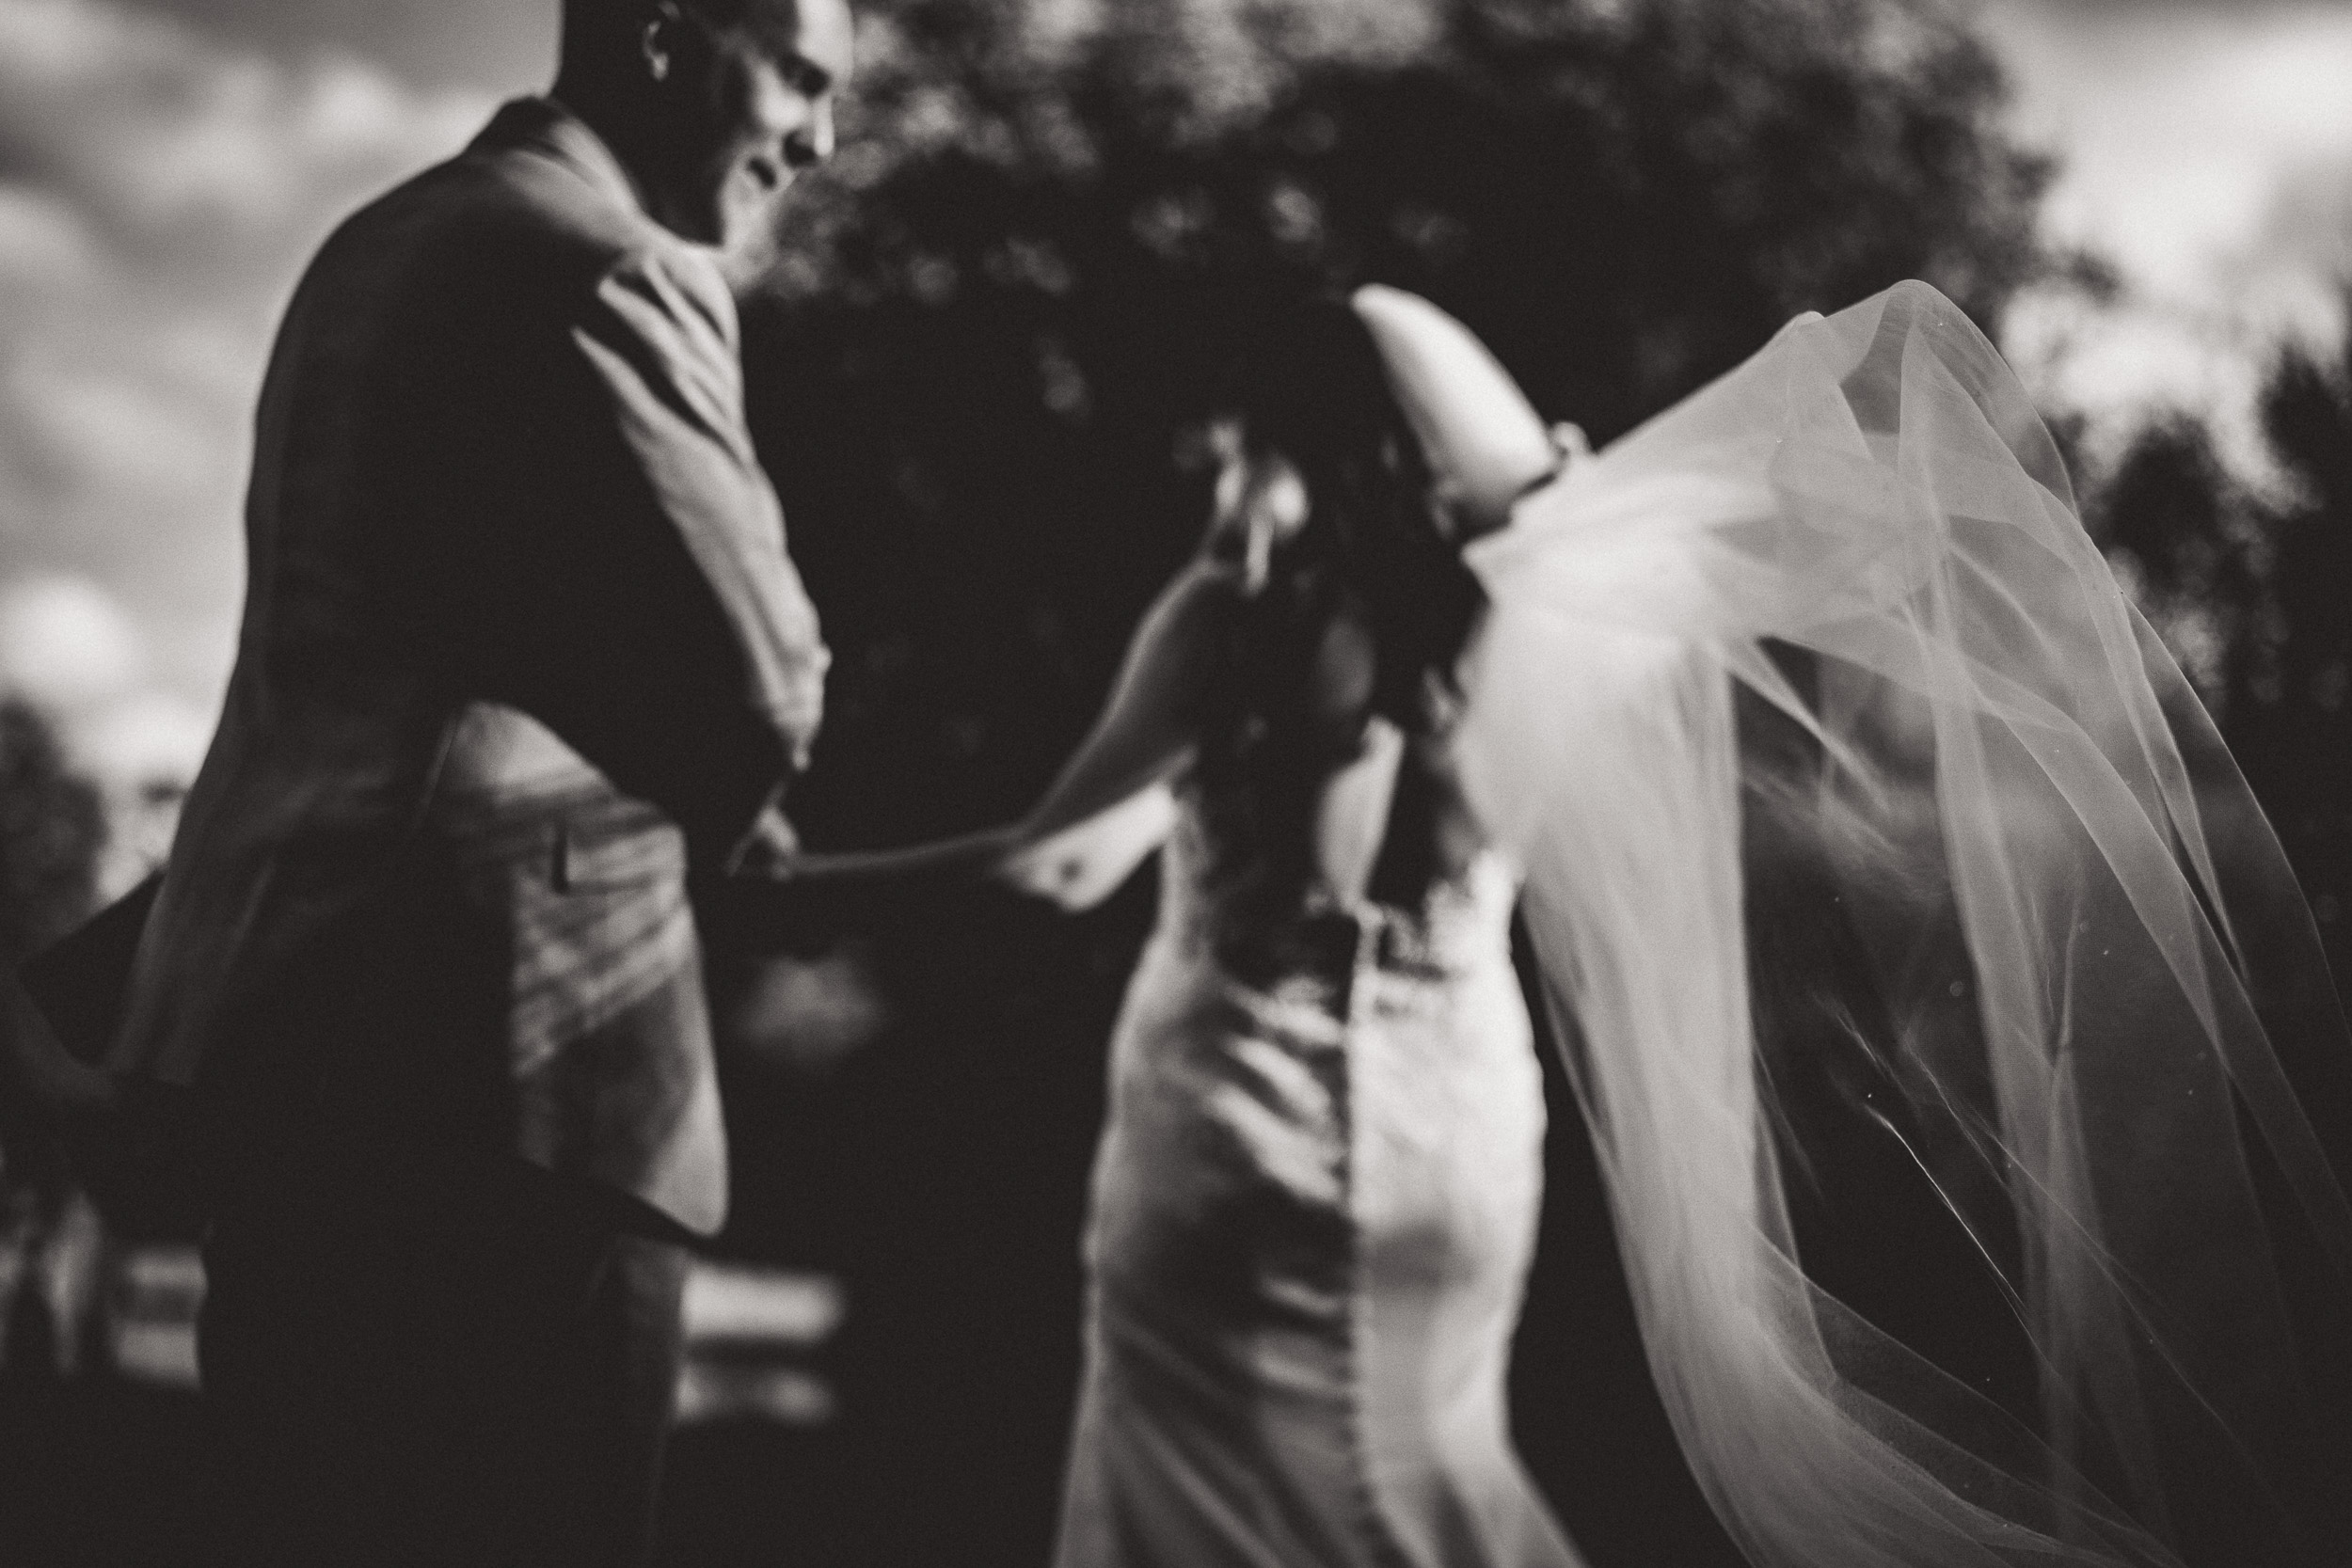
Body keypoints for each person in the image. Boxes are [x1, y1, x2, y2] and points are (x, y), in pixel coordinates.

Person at [788, 281, 2352, 1566]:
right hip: (1452, 1154)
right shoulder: (1550, 632)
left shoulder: (1236, 625)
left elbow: (1052, 865)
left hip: (1225, 1159)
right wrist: (1557, 486)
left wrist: (773, 891)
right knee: (1426, 1482)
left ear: (1286, 435)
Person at [83, 1, 851, 1562]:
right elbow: (762, 685)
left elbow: (441, 633)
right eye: (800, 77)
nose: (820, 139)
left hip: (297, 1057)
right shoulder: (614, 262)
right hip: (515, 1086)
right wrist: (731, 797)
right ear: (658, 37)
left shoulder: (375, 250)